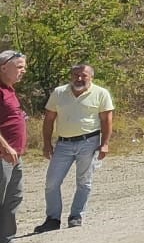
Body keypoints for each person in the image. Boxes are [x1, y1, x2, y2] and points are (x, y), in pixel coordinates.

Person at [38, 61, 114, 231]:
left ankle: (76, 215)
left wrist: (105, 144)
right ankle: (52, 219)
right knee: (52, 182)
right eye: (75, 75)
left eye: (83, 75)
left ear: (91, 77)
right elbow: (49, 119)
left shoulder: (101, 93)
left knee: (84, 182)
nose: (79, 78)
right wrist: (46, 143)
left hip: (89, 142)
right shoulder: (59, 93)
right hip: (63, 144)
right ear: (71, 76)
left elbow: (106, 120)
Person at [0, 49, 30, 243]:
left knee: (14, 196)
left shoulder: (9, 89)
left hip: (14, 155)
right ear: (3, 68)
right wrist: (5, 146)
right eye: (19, 67)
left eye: (24, 67)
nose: (23, 71)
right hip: (3, 154)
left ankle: (7, 239)